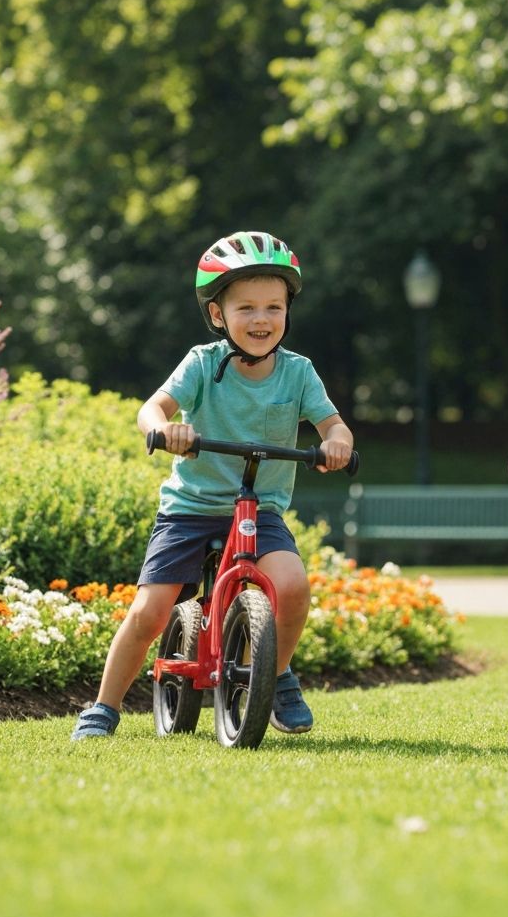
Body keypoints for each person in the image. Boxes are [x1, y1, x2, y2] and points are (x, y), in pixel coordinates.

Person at [71, 230, 354, 741]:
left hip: (260, 510)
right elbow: (152, 408)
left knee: (292, 587)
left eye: (274, 306)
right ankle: (103, 707)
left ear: (288, 312)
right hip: (190, 510)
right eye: (246, 308)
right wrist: (165, 428)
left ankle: (277, 674)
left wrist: (336, 442)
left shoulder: (298, 373)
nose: (262, 319)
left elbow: (334, 424)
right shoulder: (203, 364)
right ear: (218, 315)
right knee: (151, 609)